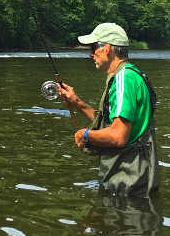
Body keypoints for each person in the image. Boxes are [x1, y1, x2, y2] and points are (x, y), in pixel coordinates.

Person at [57, 22, 159, 196]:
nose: (91, 54)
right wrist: (77, 103)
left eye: (94, 47)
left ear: (108, 48)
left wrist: (85, 135)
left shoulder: (123, 80)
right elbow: (112, 123)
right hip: (140, 179)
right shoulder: (133, 75)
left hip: (127, 183)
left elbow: (118, 136)